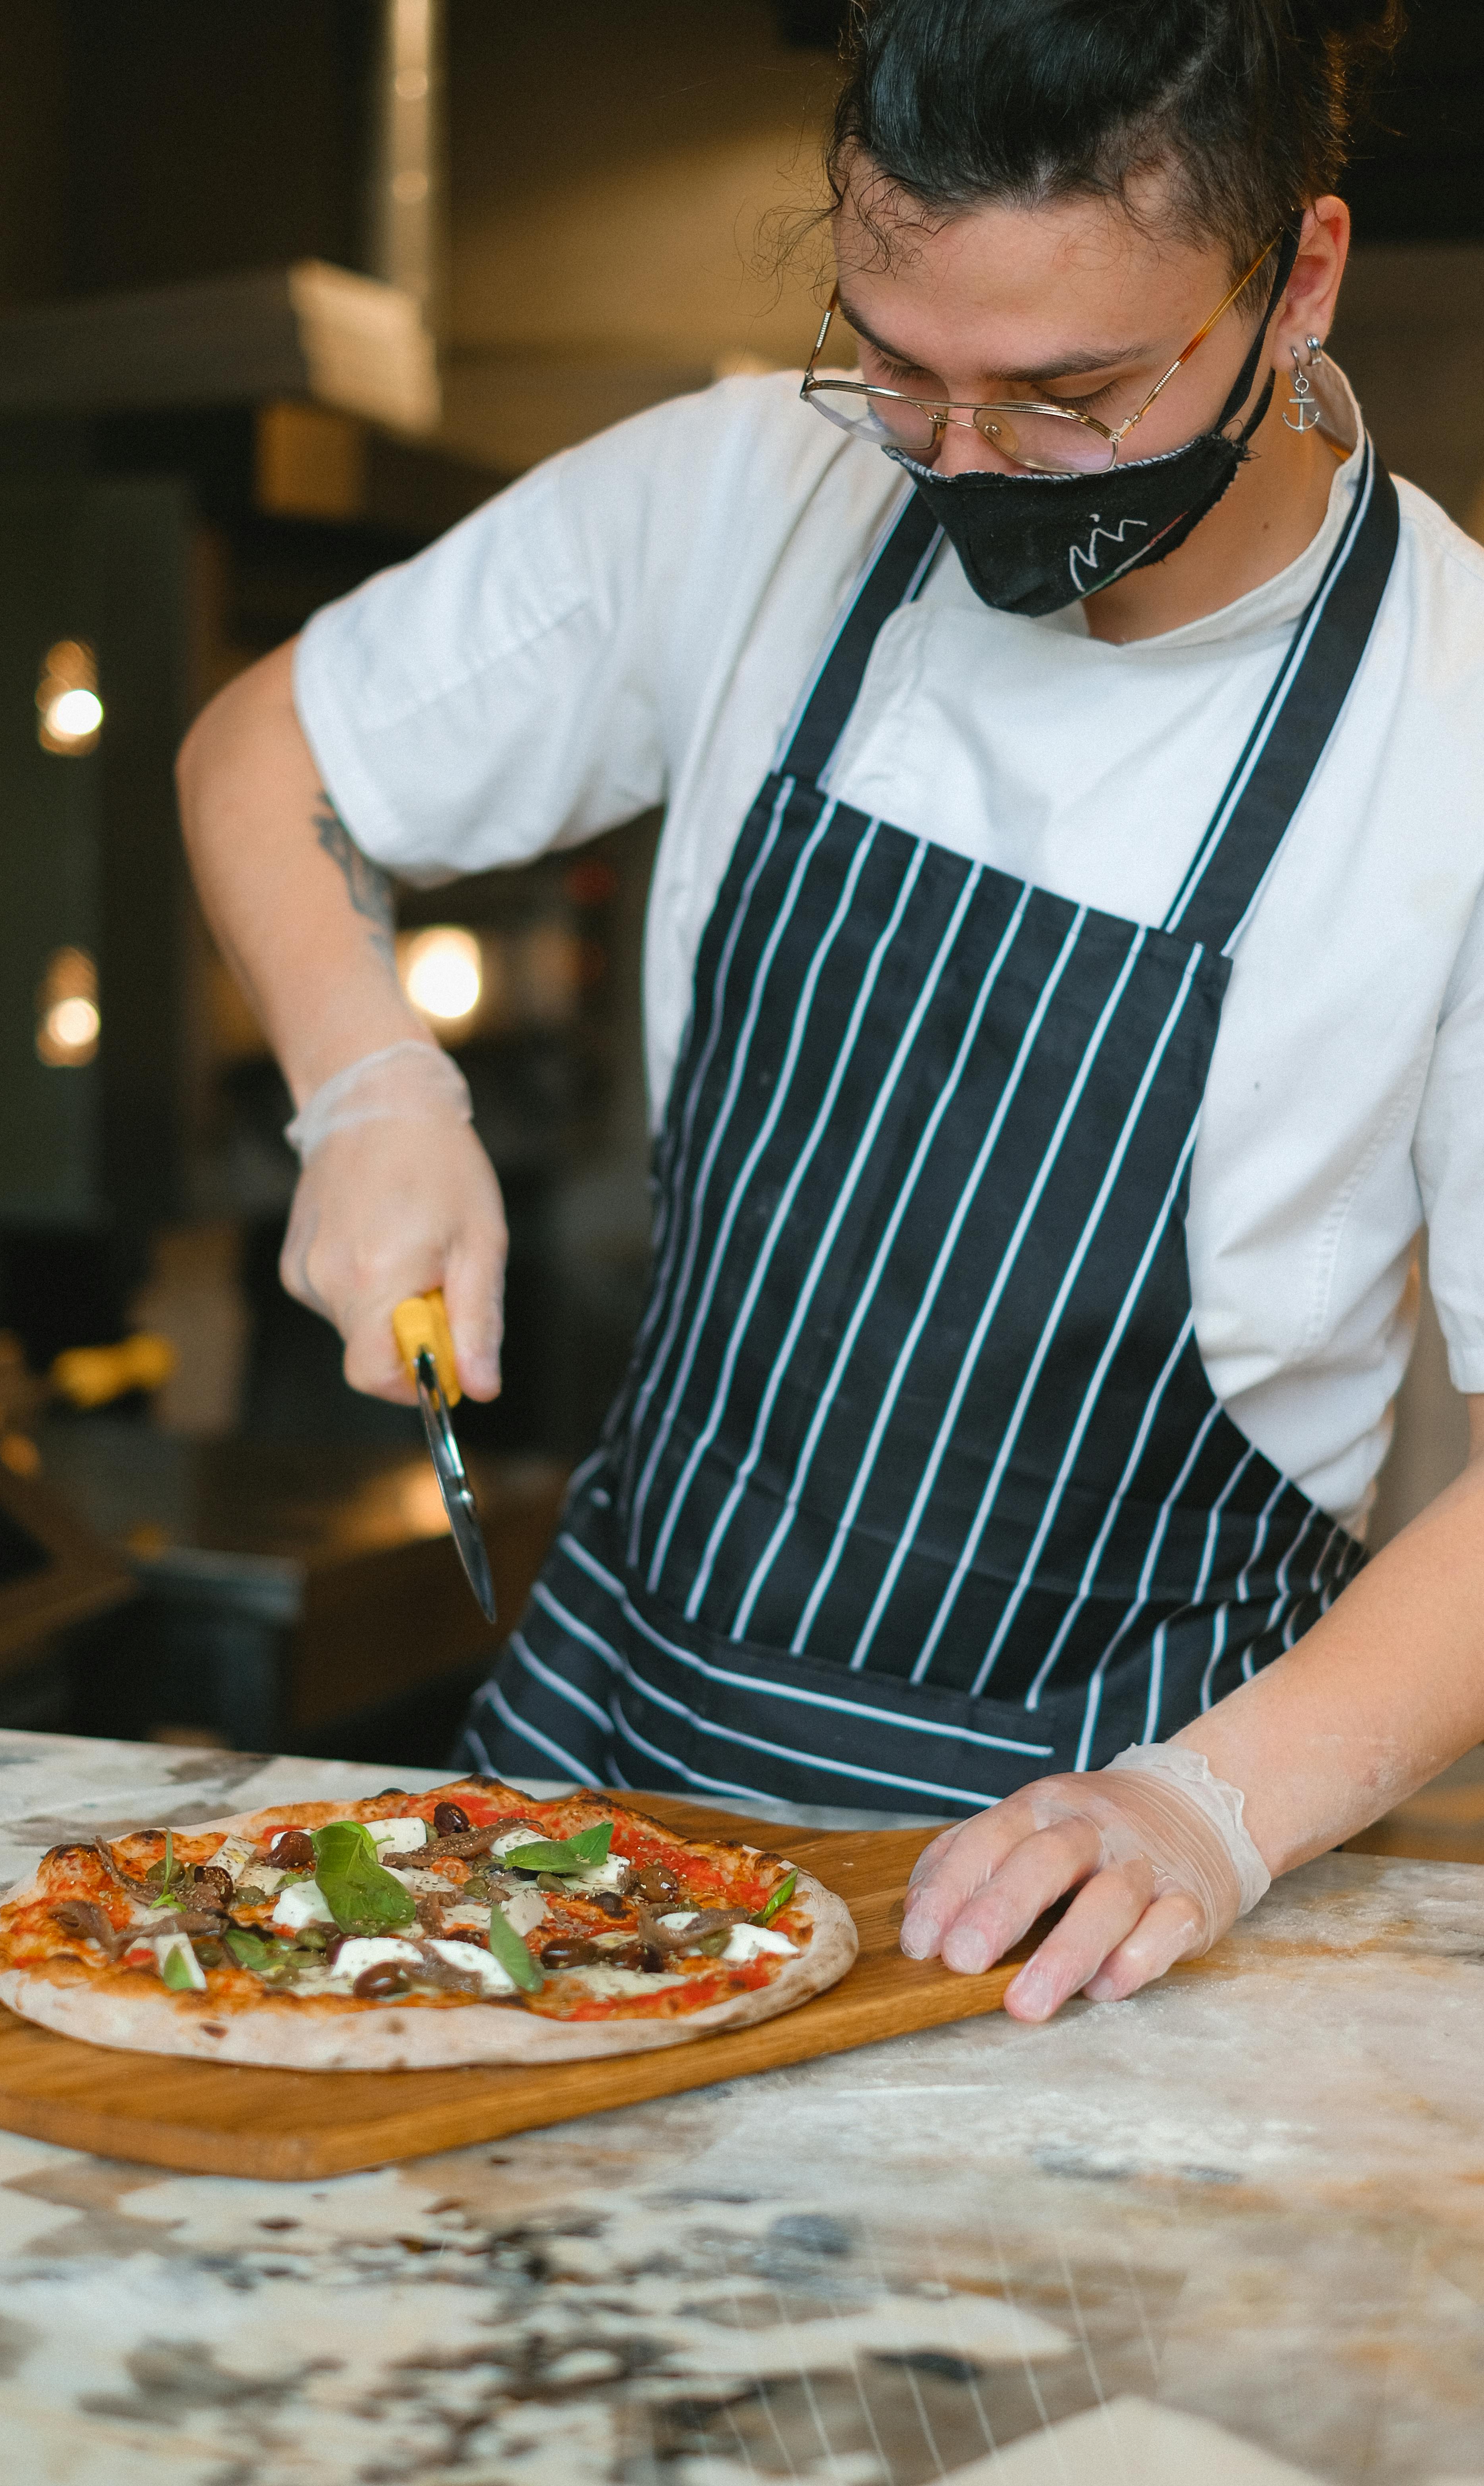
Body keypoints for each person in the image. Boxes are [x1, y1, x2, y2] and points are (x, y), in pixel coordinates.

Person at [178, 0, 1484, 2024]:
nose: (961, 461)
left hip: (1088, 1905)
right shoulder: (743, 495)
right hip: (598, 1779)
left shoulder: (1452, 735)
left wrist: (1211, 1813)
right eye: (895, 364)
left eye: (1068, 393)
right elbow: (271, 751)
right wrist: (366, 1087)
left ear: (1295, 275)